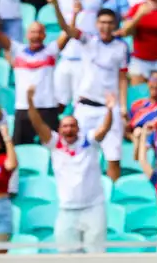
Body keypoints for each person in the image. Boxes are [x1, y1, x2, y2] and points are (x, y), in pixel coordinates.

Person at [23, 88, 115, 253]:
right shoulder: (55, 143)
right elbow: (38, 125)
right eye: (65, 126)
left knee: (96, 256)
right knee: (67, 257)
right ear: (59, 130)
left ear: (78, 128)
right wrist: (30, 102)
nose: (69, 129)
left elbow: (104, 129)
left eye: (72, 126)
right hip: (67, 210)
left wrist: (109, 109)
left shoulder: (89, 141)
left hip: (93, 208)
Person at [57, 7, 130, 181]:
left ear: (115, 25)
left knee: (113, 156)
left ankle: (112, 192)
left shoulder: (121, 47)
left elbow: (122, 78)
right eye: (102, 22)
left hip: (109, 108)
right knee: (79, 153)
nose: (106, 26)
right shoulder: (88, 41)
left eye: (110, 23)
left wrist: (122, 106)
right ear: (97, 24)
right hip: (85, 106)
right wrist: (71, 13)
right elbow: (68, 30)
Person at [0, 0, 65, 143]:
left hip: (47, 107)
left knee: (55, 147)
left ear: (45, 35)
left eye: (40, 32)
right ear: (27, 35)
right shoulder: (17, 50)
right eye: (33, 32)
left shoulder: (51, 51)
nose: (36, 35)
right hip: (23, 107)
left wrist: (59, 7)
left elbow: (67, 32)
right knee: (19, 148)